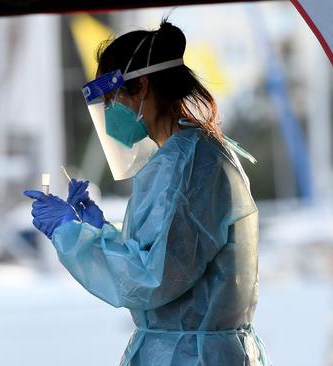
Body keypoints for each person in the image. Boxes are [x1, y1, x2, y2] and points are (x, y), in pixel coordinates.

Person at [24, 19, 271, 365]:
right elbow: (159, 256)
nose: (110, 114)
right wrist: (100, 230)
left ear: (141, 86)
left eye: (112, 99)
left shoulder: (191, 165)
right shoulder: (182, 157)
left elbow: (153, 278)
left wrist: (71, 234)